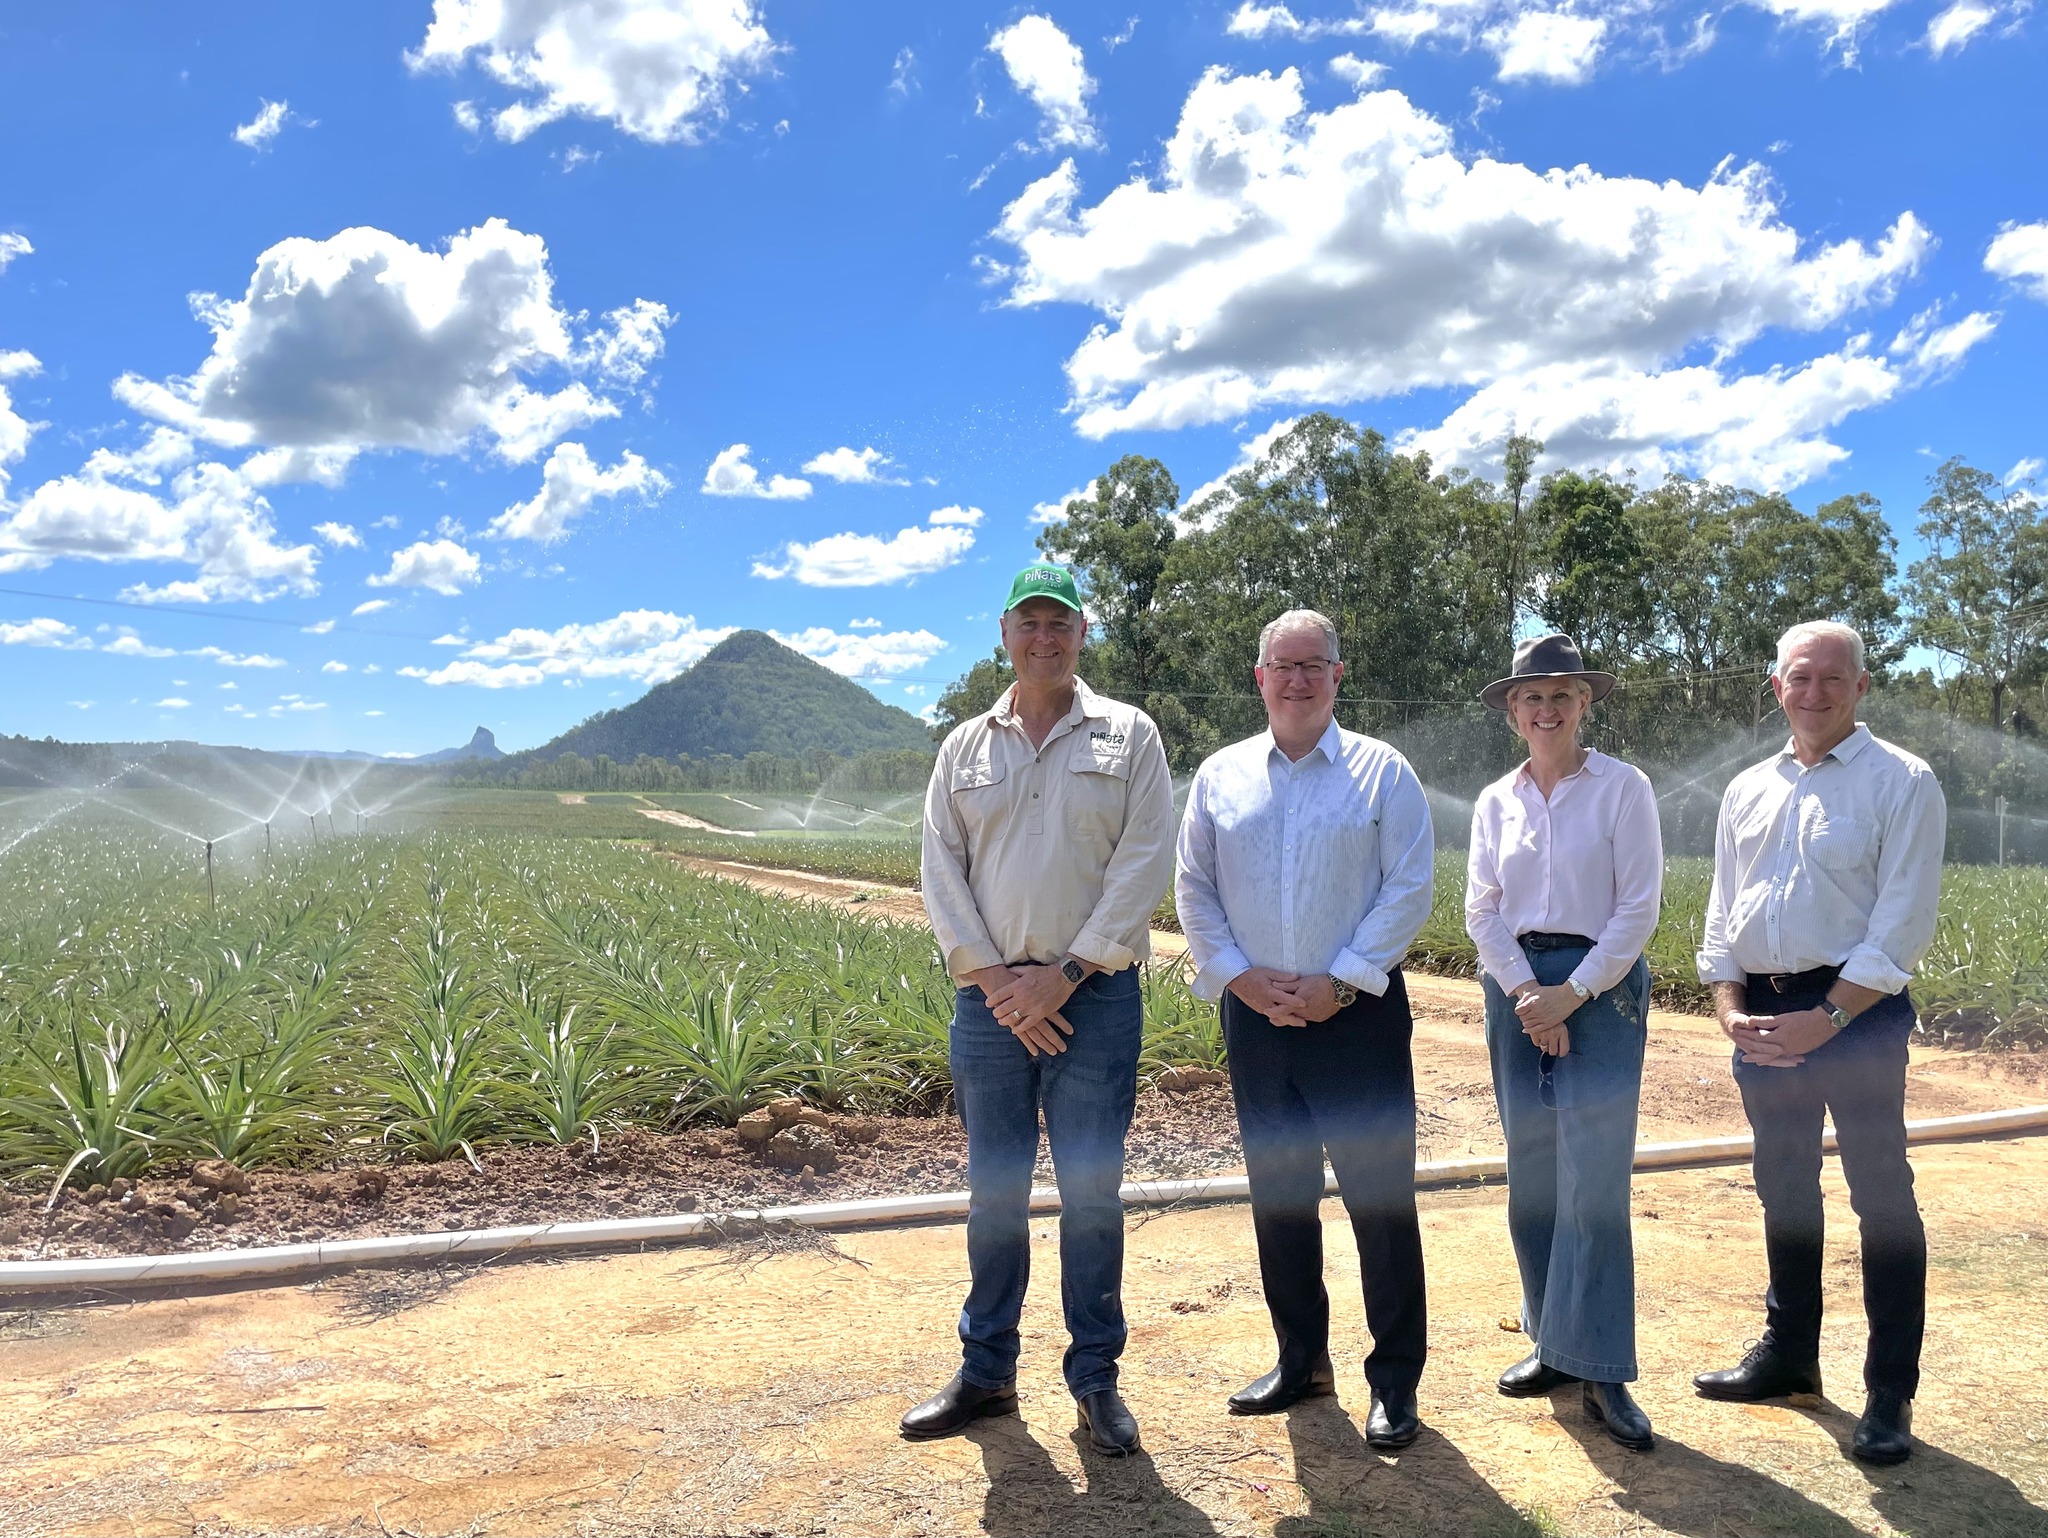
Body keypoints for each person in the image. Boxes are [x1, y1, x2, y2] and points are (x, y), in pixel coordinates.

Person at [903, 561, 1176, 1457]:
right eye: (1030, 622)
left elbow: (1143, 862)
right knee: (996, 1193)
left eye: (1061, 622)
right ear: (1005, 633)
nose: (1045, 638)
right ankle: (987, 1370)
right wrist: (998, 986)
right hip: (990, 1007)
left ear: (1083, 634)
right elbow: (940, 872)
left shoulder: (1130, 735)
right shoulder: (963, 748)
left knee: (1092, 1193)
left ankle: (1095, 1377)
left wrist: (1064, 975)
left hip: (1092, 998)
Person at [1174, 608, 1435, 1451]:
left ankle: (1394, 1382)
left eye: (1313, 664)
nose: (1297, 679)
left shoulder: (1383, 772)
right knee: (1281, 1199)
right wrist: (1240, 979)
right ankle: (1301, 1363)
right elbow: (1193, 887)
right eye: (1282, 666)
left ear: (1338, 675)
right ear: (1259, 678)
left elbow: (1409, 888)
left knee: (1379, 1204)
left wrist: (1342, 983)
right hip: (1257, 1019)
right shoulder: (1220, 776)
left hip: (1357, 1019)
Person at [1693, 620, 1947, 1466]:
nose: (1815, 692)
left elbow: (1901, 925)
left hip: (1858, 1016)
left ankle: (1889, 1390)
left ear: (1861, 687)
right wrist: (1728, 1006)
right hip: (1764, 1017)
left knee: (1882, 1195)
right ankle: (1790, 1356)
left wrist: (1829, 1017)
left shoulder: (1902, 782)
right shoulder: (1747, 789)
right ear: (1777, 687)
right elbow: (1724, 911)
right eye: (1799, 678)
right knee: (1784, 1188)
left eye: (1833, 678)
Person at [1464, 634, 1662, 1452]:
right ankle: (1552, 1342)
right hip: (1516, 988)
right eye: (1531, 697)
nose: (1546, 709)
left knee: (1595, 1180)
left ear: (1585, 703)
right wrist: (1525, 995)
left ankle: (1603, 1366)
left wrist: (1570, 995)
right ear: (1513, 711)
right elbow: (1481, 909)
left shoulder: (1623, 789)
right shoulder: (1495, 801)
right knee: (1535, 1172)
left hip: (1600, 989)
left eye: (1561, 695)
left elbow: (1638, 908)